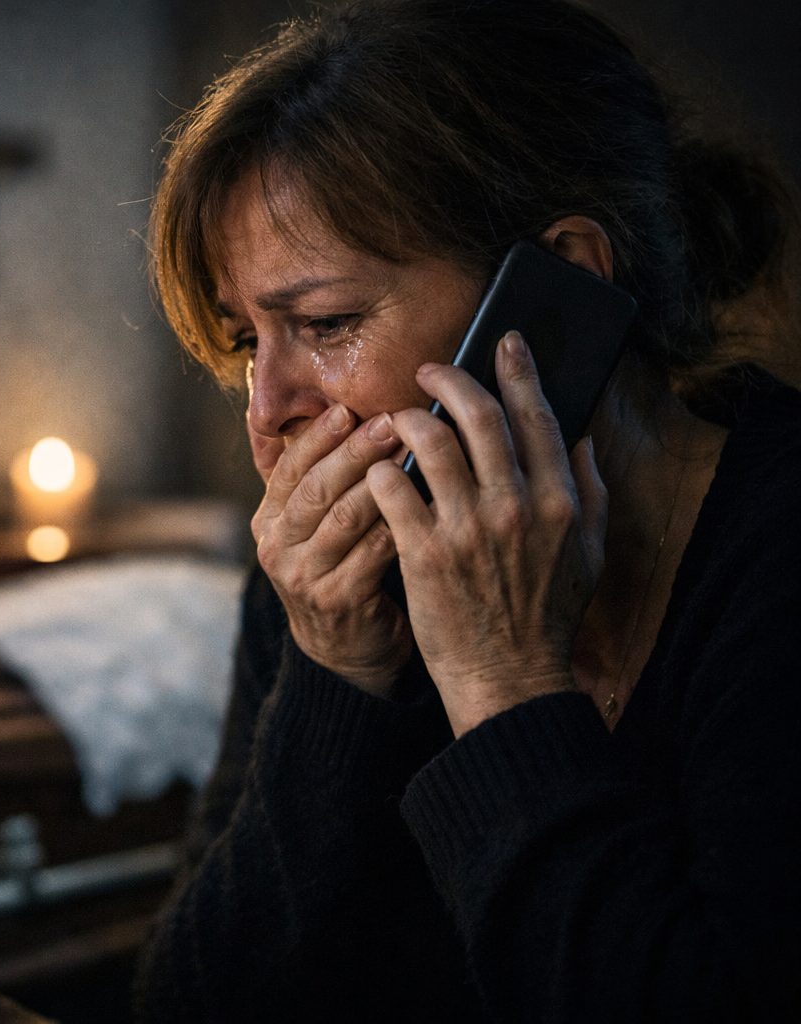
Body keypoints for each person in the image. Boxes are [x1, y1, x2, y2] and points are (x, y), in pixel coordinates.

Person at [133, 0, 801, 1019]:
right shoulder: (339, 578)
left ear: (559, 287)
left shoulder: (774, 552)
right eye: (246, 343)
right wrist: (335, 681)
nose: (266, 413)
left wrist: (503, 683)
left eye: (327, 322)